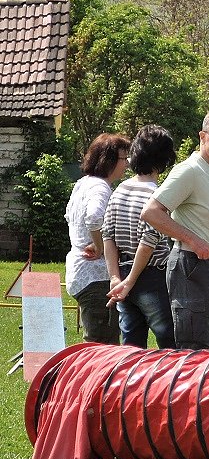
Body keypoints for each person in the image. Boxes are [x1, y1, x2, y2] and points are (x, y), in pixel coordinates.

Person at [140, 109, 209, 350]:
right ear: (202, 137)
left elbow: (205, 213)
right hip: (191, 265)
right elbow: (151, 212)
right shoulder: (190, 170)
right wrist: (194, 240)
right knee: (196, 352)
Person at [102, 125, 177, 348]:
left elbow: (108, 235)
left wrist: (116, 278)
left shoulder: (119, 190)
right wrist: (130, 281)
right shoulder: (156, 196)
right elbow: (148, 242)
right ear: (164, 158)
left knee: (131, 347)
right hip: (151, 276)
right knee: (170, 342)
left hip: (122, 272)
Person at [64, 133, 130, 344]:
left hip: (81, 273)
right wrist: (100, 247)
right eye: (123, 158)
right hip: (95, 277)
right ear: (108, 160)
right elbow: (93, 217)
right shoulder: (100, 187)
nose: (127, 164)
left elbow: (70, 217)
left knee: (97, 343)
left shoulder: (83, 183)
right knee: (102, 346)